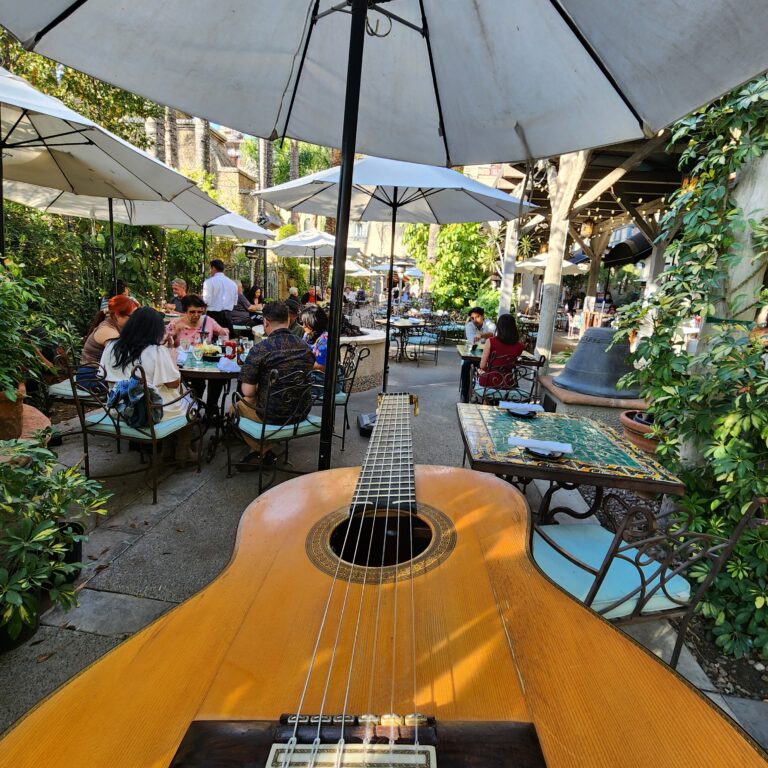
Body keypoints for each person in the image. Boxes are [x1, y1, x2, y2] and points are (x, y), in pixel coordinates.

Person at [99, 307, 195, 462]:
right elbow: (173, 383)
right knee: (190, 403)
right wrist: (170, 352)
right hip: (147, 413)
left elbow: (103, 376)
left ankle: (167, 450)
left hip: (117, 409)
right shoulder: (155, 351)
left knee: (170, 396)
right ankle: (183, 451)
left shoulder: (111, 346)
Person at [237, 301, 315, 465]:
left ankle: (263, 451)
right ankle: (265, 448)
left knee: (236, 406)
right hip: (302, 411)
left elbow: (248, 392)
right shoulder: (305, 347)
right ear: (288, 320)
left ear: (265, 322)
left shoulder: (260, 349)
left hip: (273, 416)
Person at [77, 295, 137, 389]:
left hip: (106, 374)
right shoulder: (106, 330)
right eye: (132, 316)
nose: (136, 320)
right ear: (117, 315)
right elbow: (123, 352)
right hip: (91, 377)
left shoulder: (120, 326)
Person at [300, 304, 343, 393]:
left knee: (294, 388)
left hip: (328, 382)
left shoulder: (325, 339)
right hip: (315, 377)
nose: (303, 326)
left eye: (305, 323)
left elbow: (320, 367)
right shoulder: (308, 334)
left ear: (314, 322)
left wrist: (300, 363)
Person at [477, 314, 525, 389]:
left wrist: (483, 372)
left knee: (478, 373)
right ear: (514, 327)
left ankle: (486, 400)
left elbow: (482, 366)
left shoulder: (490, 341)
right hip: (508, 382)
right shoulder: (520, 346)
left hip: (490, 380)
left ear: (499, 326)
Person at [460, 307, 497, 403]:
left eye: (477, 317)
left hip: (488, 356)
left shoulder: (489, 324)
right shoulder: (469, 326)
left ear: (482, 316)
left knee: (495, 365)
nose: (474, 320)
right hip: (474, 354)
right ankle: (465, 394)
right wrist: (485, 339)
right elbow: (473, 341)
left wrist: (481, 335)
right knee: (466, 365)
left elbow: (492, 334)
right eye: (472, 318)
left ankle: (491, 396)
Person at [202, 259, 237, 333]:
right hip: (228, 316)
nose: (210, 271)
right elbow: (234, 302)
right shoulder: (233, 284)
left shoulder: (208, 282)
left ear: (213, 268)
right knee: (227, 340)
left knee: (211, 341)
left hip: (213, 316)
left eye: (210, 269)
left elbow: (206, 301)